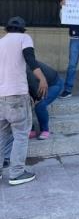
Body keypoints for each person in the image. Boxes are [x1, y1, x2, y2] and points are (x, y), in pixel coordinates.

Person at [0, 17, 48, 186]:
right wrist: (41, 78)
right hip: (17, 96)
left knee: (2, 136)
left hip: (1, 97)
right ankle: (16, 173)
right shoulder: (24, 38)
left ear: (8, 29)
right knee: (20, 136)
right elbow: (30, 58)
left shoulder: (1, 42)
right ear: (22, 29)